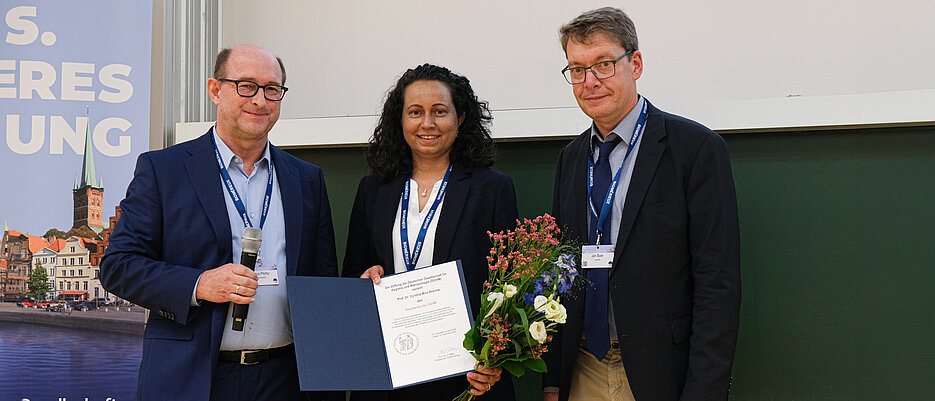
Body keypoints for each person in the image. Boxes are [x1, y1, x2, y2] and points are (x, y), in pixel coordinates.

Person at [100, 44, 339, 401]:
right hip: (193, 379)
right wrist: (199, 284)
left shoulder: (306, 179)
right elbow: (118, 266)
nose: (260, 100)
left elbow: (323, 282)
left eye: (272, 89)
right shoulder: (163, 170)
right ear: (215, 90)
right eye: (246, 86)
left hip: (285, 379)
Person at [544, 7, 741, 401]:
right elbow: (560, 271)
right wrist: (553, 381)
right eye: (577, 69)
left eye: (603, 65)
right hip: (583, 369)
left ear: (634, 64)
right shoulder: (571, 158)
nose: (590, 81)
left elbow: (717, 282)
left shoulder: (695, 149)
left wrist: (704, 389)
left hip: (661, 372)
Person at [343, 64, 518, 401]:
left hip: (466, 377)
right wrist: (364, 279)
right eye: (415, 112)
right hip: (387, 373)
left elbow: (509, 286)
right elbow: (352, 273)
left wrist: (496, 361)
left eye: (439, 111)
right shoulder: (373, 190)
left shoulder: (492, 189)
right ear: (400, 120)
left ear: (460, 118)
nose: (427, 123)